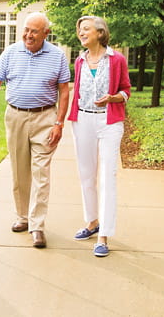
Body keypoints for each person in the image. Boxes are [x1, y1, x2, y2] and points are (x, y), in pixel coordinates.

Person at [0, 12, 70, 249]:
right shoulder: (10, 52)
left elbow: (64, 91)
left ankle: (37, 225)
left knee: (41, 172)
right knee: (19, 170)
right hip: (16, 116)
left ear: (45, 33)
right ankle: (22, 216)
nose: (28, 35)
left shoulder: (57, 56)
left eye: (34, 31)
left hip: (45, 117)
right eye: (26, 29)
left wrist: (59, 123)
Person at [67, 16, 131, 257]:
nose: (81, 33)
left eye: (85, 29)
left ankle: (104, 235)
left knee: (107, 177)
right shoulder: (80, 61)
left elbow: (126, 89)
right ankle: (92, 222)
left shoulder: (117, 60)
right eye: (79, 30)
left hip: (108, 121)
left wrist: (113, 98)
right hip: (83, 119)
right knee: (86, 175)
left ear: (100, 33)